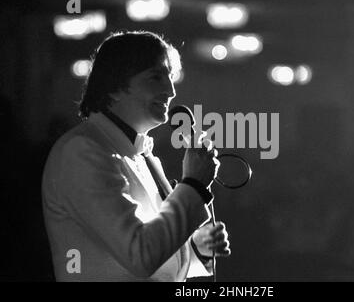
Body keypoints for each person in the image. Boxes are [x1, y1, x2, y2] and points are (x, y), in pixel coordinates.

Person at [42, 31, 231, 281]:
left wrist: (196, 250)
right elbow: (139, 255)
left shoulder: (142, 154)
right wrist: (194, 185)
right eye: (156, 77)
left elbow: (153, 261)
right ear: (116, 86)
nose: (171, 90)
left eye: (170, 77)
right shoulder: (82, 151)